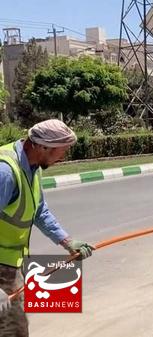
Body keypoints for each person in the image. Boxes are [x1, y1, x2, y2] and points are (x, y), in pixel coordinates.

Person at [0, 119, 94, 336]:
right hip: (2, 267)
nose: (63, 157)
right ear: (42, 147)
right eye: (62, 151)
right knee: (13, 331)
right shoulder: (5, 171)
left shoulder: (33, 166)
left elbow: (39, 211)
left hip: (13, 262)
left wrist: (67, 241)